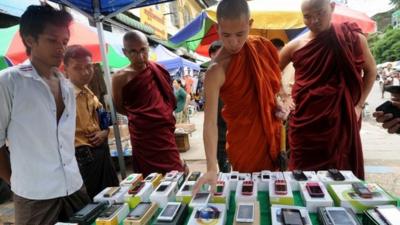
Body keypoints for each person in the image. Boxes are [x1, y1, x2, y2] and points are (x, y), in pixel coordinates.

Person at [0, 5, 90, 225]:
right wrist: (18, 183)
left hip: (74, 186)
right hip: (34, 196)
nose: (61, 48)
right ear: (30, 39)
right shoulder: (9, 82)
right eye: (52, 40)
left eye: (64, 41)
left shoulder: (66, 85)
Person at [194, 0, 284, 193]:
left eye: (240, 34)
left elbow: (274, 88)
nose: (233, 42)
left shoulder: (263, 48)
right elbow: (209, 123)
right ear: (217, 29)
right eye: (226, 35)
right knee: (248, 194)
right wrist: (211, 167)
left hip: (272, 132)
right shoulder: (216, 70)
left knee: (274, 193)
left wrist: (279, 104)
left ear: (250, 25)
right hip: (245, 143)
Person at [279, 0, 376, 179]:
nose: (314, 20)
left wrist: (359, 105)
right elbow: (270, 71)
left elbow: (371, 72)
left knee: (341, 175)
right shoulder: (295, 46)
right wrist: (284, 95)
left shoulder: (351, 38)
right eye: (307, 16)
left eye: (320, 14)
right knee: (301, 175)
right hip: (305, 123)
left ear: (331, 7)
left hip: (340, 120)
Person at [112, 31, 184, 177]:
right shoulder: (120, 77)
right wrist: (141, 117)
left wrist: (159, 116)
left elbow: (167, 99)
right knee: (149, 178)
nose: (140, 56)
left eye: (143, 50)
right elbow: (119, 106)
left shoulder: (158, 70)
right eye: (133, 51)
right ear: (125, 52)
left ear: (148, 48)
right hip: (142, 136)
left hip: (163, 133)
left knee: (175, 171)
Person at [64, 45, 119, 199]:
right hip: (81, 159)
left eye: (89, 67)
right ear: (66, 70)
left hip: (100, 152)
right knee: (91, 202)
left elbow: (104, 117)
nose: (85, 72)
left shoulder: (88, 91)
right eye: (77, 68)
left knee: (111, 196)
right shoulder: (62, 97)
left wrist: (105, 131)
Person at [208, 40, 231, 173]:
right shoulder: (210, 77)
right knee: (225, 172)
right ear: (211, 56)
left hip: (236, 131)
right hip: (219, 135)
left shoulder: (234, 74)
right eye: (216, 55)